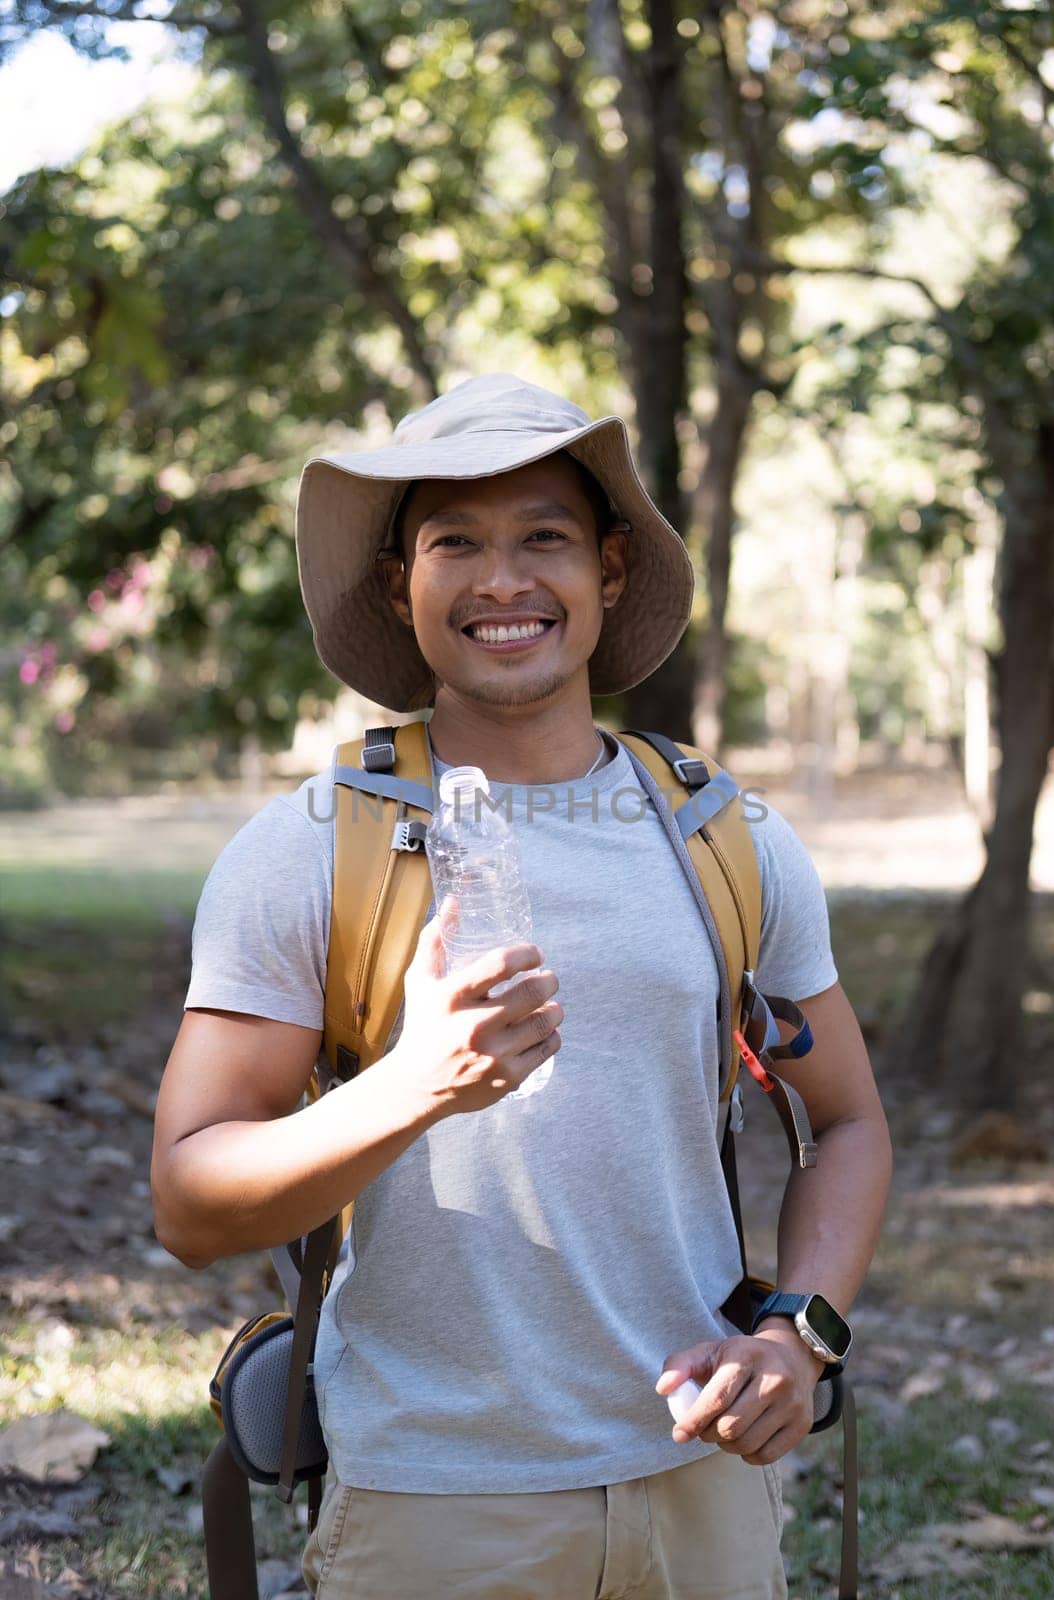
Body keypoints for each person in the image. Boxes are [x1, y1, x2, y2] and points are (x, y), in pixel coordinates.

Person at [152, 372, 892, 1600]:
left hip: (700, 1482)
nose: (504, 581)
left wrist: (794, 1338)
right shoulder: (308, 847)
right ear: (402, 585)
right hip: (433, 1497)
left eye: (541, 537)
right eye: (457, 542)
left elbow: (849, 1120)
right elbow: (190, 1203)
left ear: (606, 569)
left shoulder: (729, 836)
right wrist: (415, 1085)